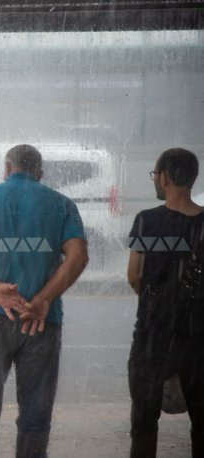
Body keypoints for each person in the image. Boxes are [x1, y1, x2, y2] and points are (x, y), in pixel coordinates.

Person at [0, 144, 88, 457]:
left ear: (6, 168)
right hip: (39, 320)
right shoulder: (61, 205)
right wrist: (43, 298)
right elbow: (78, 255)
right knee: (35, 417)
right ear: (39, 173)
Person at [126, 148, 204, 457]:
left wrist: (157, 301)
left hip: (153, 334)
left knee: (144, 421)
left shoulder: (147, 221)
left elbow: (134, 275)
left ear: (164, 178)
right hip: (198, 337)